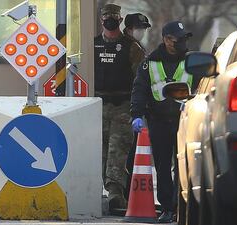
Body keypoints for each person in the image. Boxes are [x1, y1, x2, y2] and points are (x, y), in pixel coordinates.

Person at [130, 21, 200, 223]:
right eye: (178, 39)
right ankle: (167, 209)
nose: (182, 42)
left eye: (185, 38)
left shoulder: (191, 61)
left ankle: (181, 207)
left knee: (182, 166)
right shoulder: (149, 62)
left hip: (184, 121)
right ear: (167, 40)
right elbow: (140, 89)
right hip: (158, 121)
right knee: (162, 167)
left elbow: (201, 86)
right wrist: (137, 114)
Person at [94, 4, 145, 212]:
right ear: (101, 20)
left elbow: (140, 79)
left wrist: (138, 108)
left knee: (118, 151)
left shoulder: (131, 47)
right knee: (100, 152)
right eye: (106, 16)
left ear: (120, 20)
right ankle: (98, 191)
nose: (110, 20)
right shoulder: (93, 46)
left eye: (114, 17)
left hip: (122, 106)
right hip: (98, 105)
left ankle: (116, 193)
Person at [122, 12, 151, 201]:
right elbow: (140, 78)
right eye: (139, 29)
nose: (141, 32)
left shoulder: (135, 46)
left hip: (127, 103)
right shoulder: (133, 47)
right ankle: (126, 193)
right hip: (128, 104)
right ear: (130, 29)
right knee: (127, 151)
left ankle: (125, 193)